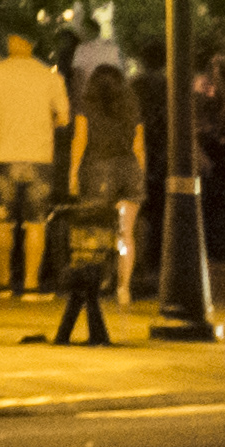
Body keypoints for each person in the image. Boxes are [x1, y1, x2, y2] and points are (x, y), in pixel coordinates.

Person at [0, 28, 72, 301]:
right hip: (39, 155)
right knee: (35, 222)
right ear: (34, 42)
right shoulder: (50, 76)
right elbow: (63, 119)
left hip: (2, 155)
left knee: (2, 221)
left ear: (10, 41)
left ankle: (4, 284)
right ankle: (30, 285)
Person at [70, 61, 145, 316]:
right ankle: (123, 287)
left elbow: (80, 139)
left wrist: (73, 173)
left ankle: (97, 281)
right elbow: (139, 144)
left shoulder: (86, 105)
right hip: (128, 169)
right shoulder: (131, 105)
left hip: (98, 168)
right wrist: (140, 174)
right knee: (125, 233)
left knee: (96, 231)